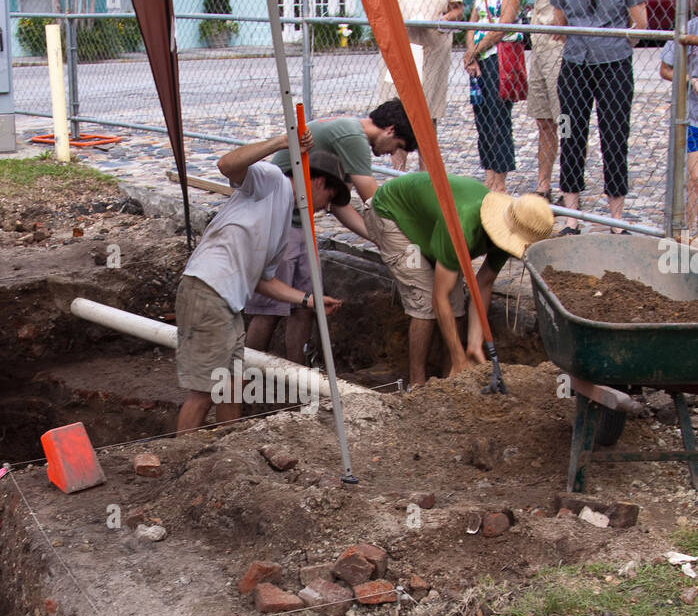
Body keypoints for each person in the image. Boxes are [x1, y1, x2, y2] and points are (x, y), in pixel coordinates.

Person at [175, 130, 344, 431]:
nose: (324, 209)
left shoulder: (280, 226)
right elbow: (227, 164)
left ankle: (230, 450)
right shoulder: (272, 182)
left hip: (225, 300)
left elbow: (262, 281)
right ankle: (183, 459)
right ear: (318, 182)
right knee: (205, 391)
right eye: (327, 200)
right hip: (207, 290)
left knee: (232, 384)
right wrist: (280, 143)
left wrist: (308, 300)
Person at [245, 102, 417, 363]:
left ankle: (299, 380)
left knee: (306, 305)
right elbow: (375, 200)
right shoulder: (353, 137)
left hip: (300, 223)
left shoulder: (349, 134)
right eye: (398, 146)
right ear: (390, 130)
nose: (392, 153)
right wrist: (402, 238)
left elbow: (338, 206)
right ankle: (244, 377)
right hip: (279, 221)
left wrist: (381, 239)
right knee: (269, 308)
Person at [363, 174, 553, 386]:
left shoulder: (509, 233)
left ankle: (449, 381)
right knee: (425, 300)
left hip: (430, 227)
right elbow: (438, 297)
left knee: (457, 308)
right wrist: (458, 355)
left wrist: (473, 345)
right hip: (392, 214)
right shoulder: (462, 225)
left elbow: (484, 283)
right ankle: (417, 386)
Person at [550, 0, 647, 232]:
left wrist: (614, 44)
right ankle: (571, 214)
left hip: (614, 69)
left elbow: (641, 25)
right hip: (574, 68)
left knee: (615, 137)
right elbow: (558, 26)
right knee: (570, 135)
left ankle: (616, 218)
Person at [376, 0, 464, 141]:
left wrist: (442, 20)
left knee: (428, 116)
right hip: (399, 51)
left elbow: (458, 9)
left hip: (432, 51)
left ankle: (426, 173)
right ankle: (399, 174)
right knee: (394, 116)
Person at [463, 0, 525, 193]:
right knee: (482, 118)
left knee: (499, 118)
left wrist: (475, 50)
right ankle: (488, 173)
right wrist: (470, 54)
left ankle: (500, 181)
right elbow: (473, 20)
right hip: (479, 57)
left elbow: (503, 25)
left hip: (499, 57)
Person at [525, 0, 573, 200]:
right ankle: (544, 183)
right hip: (539, 44)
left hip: (560, 46)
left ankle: (569, 181)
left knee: (564, 118)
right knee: (543, 119)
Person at [660, 0, 698, 236]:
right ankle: (689, 233)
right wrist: (689, 78)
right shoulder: (689, 28)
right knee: (694, 180)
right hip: (694, 117)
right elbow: (665, 69)